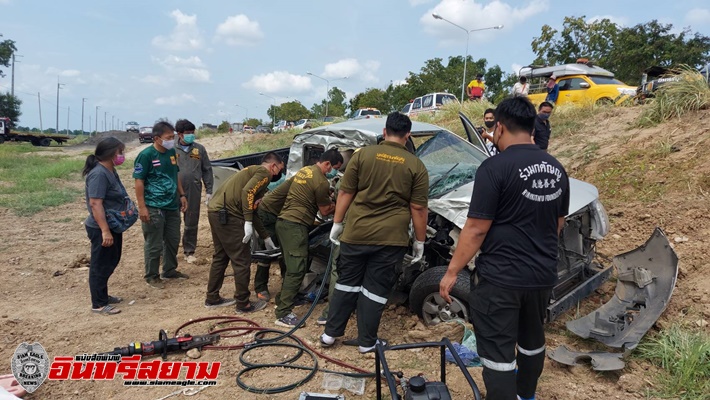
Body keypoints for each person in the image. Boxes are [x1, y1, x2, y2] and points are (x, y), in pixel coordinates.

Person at [439, 96, 570, 400]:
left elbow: (476, 228)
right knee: (532, 340)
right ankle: (526, 395)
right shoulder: (555, 167)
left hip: (501, 279)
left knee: (498, 352)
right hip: (541, 276)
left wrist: (451, 272)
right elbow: (558, 223)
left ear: (498, 127)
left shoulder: (494, 167)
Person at [322, 112, 429, 353]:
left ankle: (330, 334)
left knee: (346, 284)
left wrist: (337, 223)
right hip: (390, 240)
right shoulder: (416, 165)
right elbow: (419, 207)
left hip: (356, 233)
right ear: (408, 135)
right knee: (375, 290)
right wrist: (420, 242)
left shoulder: (363, 156)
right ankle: (366, 343)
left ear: (384, 132)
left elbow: (345, 192)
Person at [205, 152, 284, 311]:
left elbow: (252, 209)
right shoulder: (264, 173)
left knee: (221, 256)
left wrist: (265, 237)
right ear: (273, 166)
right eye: (280, 169)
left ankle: (212, 298)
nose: (279, 174)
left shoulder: (250, 171)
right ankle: (243, 303)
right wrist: (247, 222)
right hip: (229, 216)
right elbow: (247, 193)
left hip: (216, 212)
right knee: (241, 260)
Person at [274, 149, 343, 328]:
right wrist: (341, 203)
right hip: (295, 226)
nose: (333, 173)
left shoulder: (306, 171)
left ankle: (282, 299)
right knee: (297, 269)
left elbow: (310, 192)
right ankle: (283, 313)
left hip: (283, 222)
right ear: (327, 164)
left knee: (291, 265)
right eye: (334, 168)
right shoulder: (320, 180)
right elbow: (325, 211)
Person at [134, 121, 189, 290]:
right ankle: (152, 275)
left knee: (173, 239)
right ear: (157, 138)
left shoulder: (171, 153)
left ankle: (170, 270)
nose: (172, 140)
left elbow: (175, 175)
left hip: (172, 205)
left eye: (172, 137)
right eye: (168, 137)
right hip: (153, 206)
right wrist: (142, 207)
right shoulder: (146, 155)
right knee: (154, 243)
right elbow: (139, 182)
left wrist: (182, 195)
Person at [83, 137, 127, 315]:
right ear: (111, 154)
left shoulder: (110, 170)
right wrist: (105, 231)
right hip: (101, 227)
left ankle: (103, 295)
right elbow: (95, 204)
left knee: (111, 260)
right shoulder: (99, 174)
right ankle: (98, 304)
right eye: (120, 152)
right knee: (100, 265)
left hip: (113, 225)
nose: (122, 156)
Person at [175, 119, 213, 264]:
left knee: (191, 221)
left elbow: (207, 170)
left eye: (192, 133)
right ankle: (168, 252)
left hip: (193, 190)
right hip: (173, 191)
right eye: (187, 133)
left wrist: (209, 190)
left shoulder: (199, 149)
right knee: (172, 222)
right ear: (179, 134)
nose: (191, 135)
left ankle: (189, 251)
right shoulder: (171, 149)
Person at [253, 175, 294, 302]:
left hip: (279, 215)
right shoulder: (302, 181)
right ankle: (260, 287)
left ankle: (287, 286)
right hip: (266, 214)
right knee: (268, 252)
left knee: (283, 250)